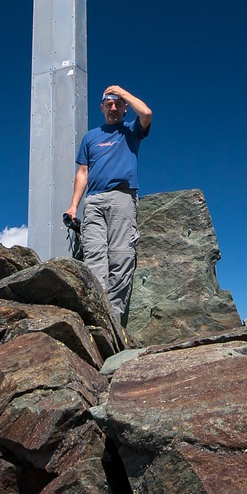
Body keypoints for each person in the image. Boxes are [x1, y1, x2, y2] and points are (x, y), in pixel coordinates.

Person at [64, 85, 152, 325]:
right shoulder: (91, 137)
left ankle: (112, 322)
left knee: (121, 257)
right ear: (102, 108)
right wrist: (73, 206)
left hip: (122, 198)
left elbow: (146, 113)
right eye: (109, 104)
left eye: (118, 104)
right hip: (93, 202)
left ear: (124, 108)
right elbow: (83, 171)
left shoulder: (130, 130)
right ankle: (98, 318)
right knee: (94, 259)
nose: (113, 108)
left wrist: (122, 92)